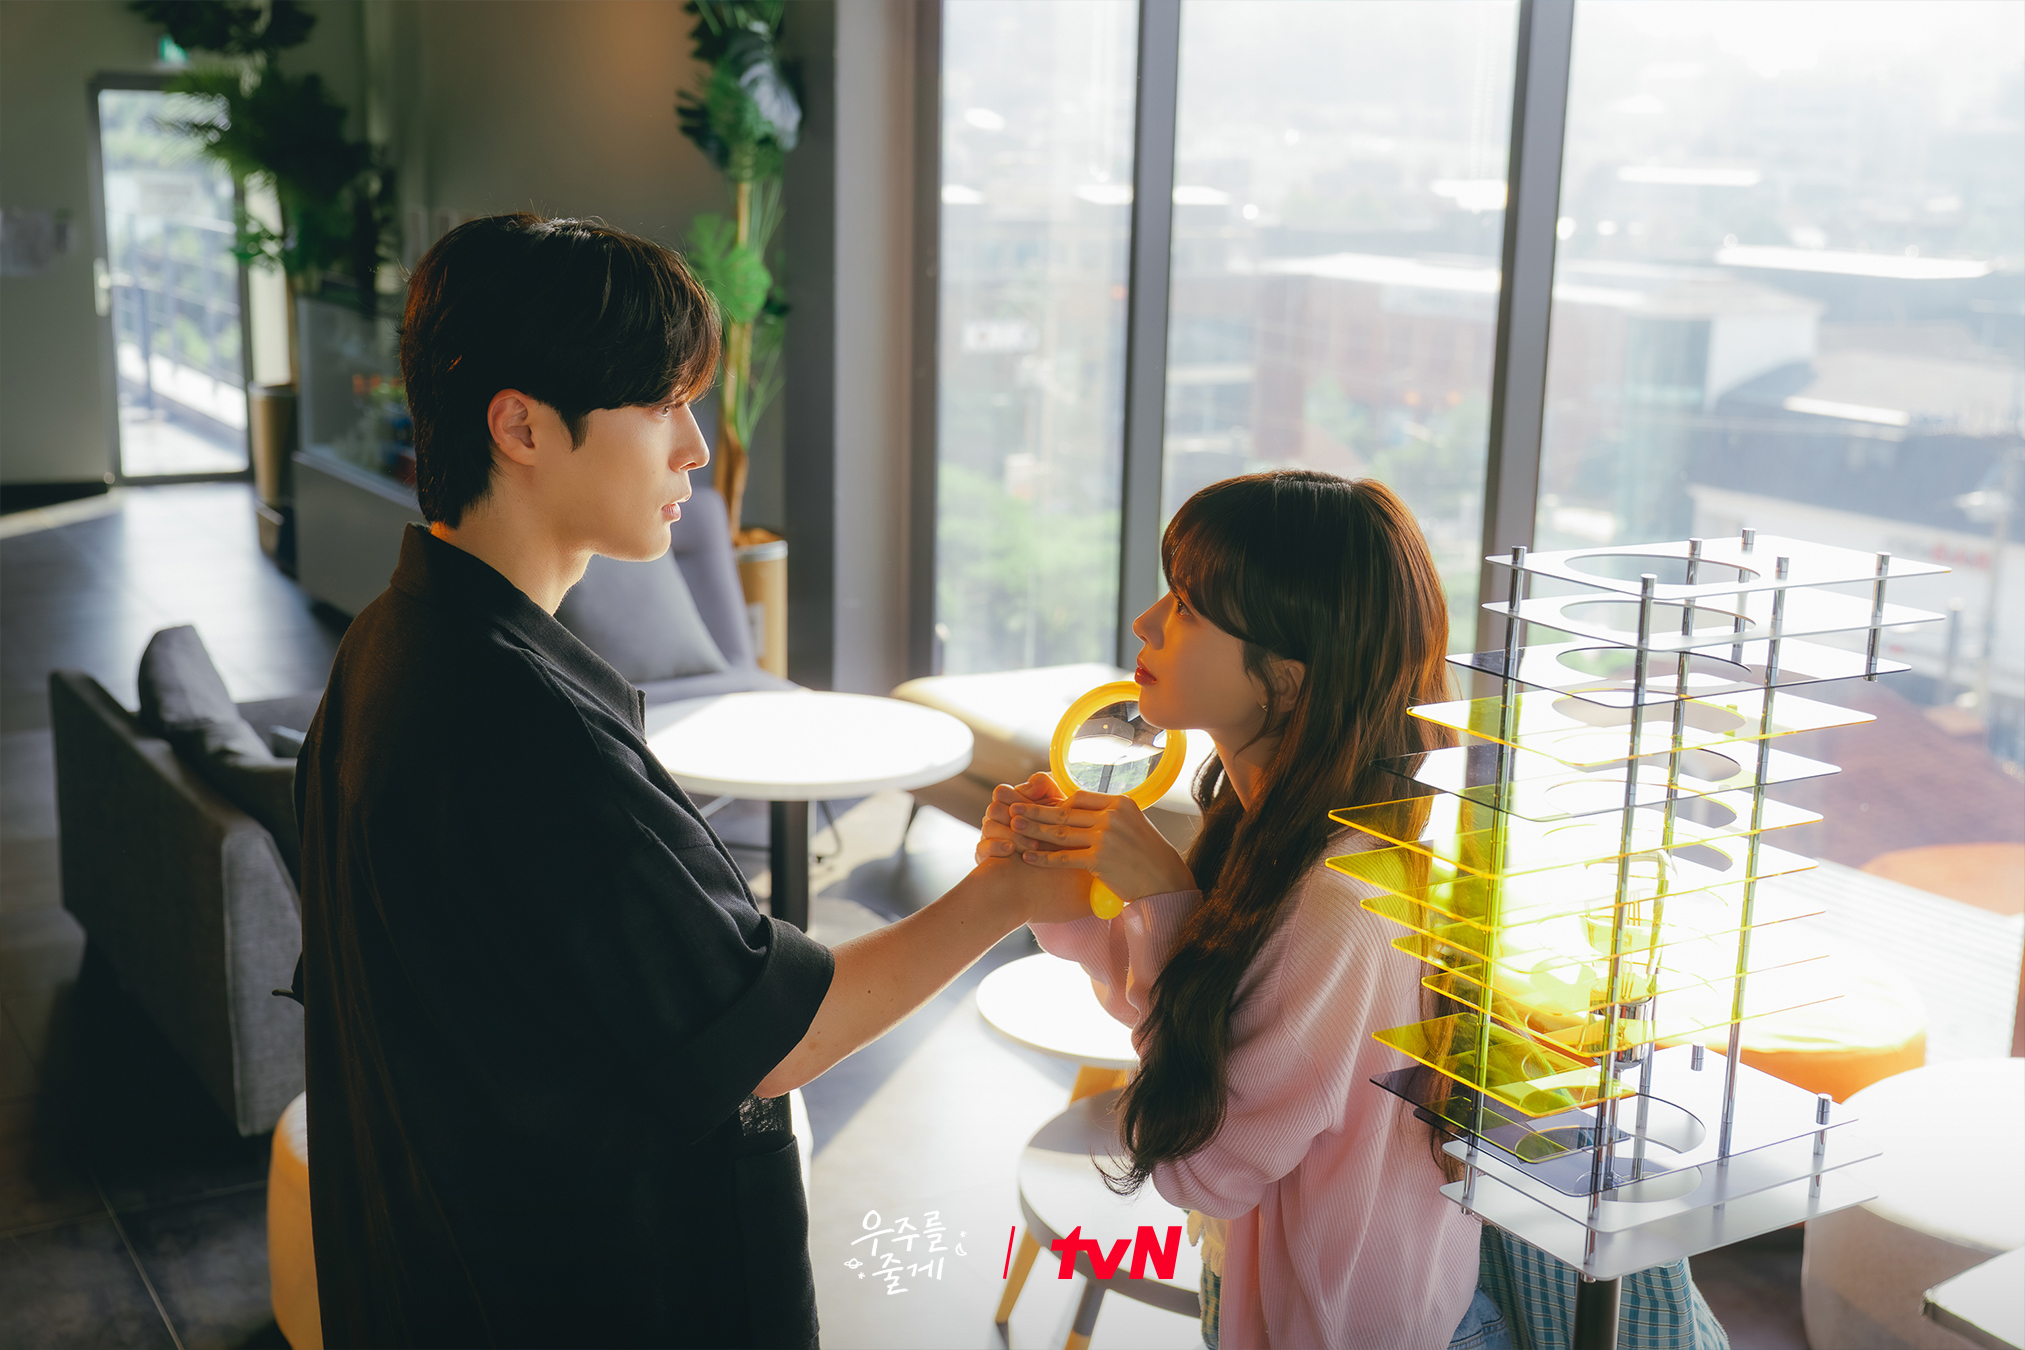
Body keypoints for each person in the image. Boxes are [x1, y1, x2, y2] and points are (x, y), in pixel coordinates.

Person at [295, 213, 1088, 1350]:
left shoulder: (389, 644)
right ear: (520, 426)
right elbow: (770, 1040)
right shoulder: (524, 730)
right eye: (663, 404)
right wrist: (1005, 889)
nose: (696, 449)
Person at [977, 471, 1511, 1349]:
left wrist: (1163, 898)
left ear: (1286, 680)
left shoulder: (1342, 907)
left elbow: (1203, 1167)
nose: (1146, 622)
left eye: (1187, 607)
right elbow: (1185, 1015)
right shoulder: (1271, 825)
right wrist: (1065, 895)